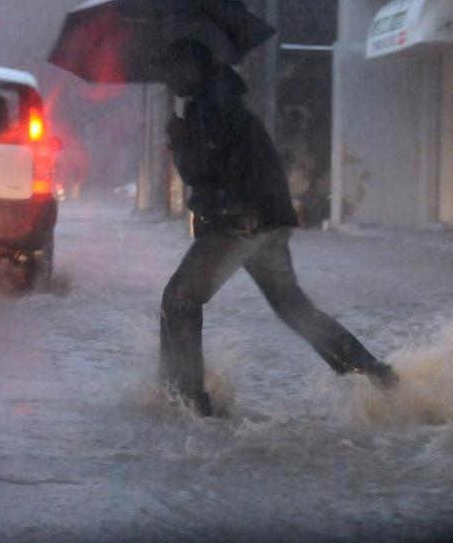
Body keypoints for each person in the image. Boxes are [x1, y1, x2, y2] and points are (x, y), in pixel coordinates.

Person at [159, 39, 397, 416]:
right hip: (266, 221)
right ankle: (378, 377)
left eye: (172, 69)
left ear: (192, 66)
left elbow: (204, 170)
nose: (168, 80)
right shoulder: (219, 98)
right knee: (292, 308)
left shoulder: (212, 107)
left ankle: (186, 402)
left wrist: (178, 144)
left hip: (239, 224)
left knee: (179, 299)